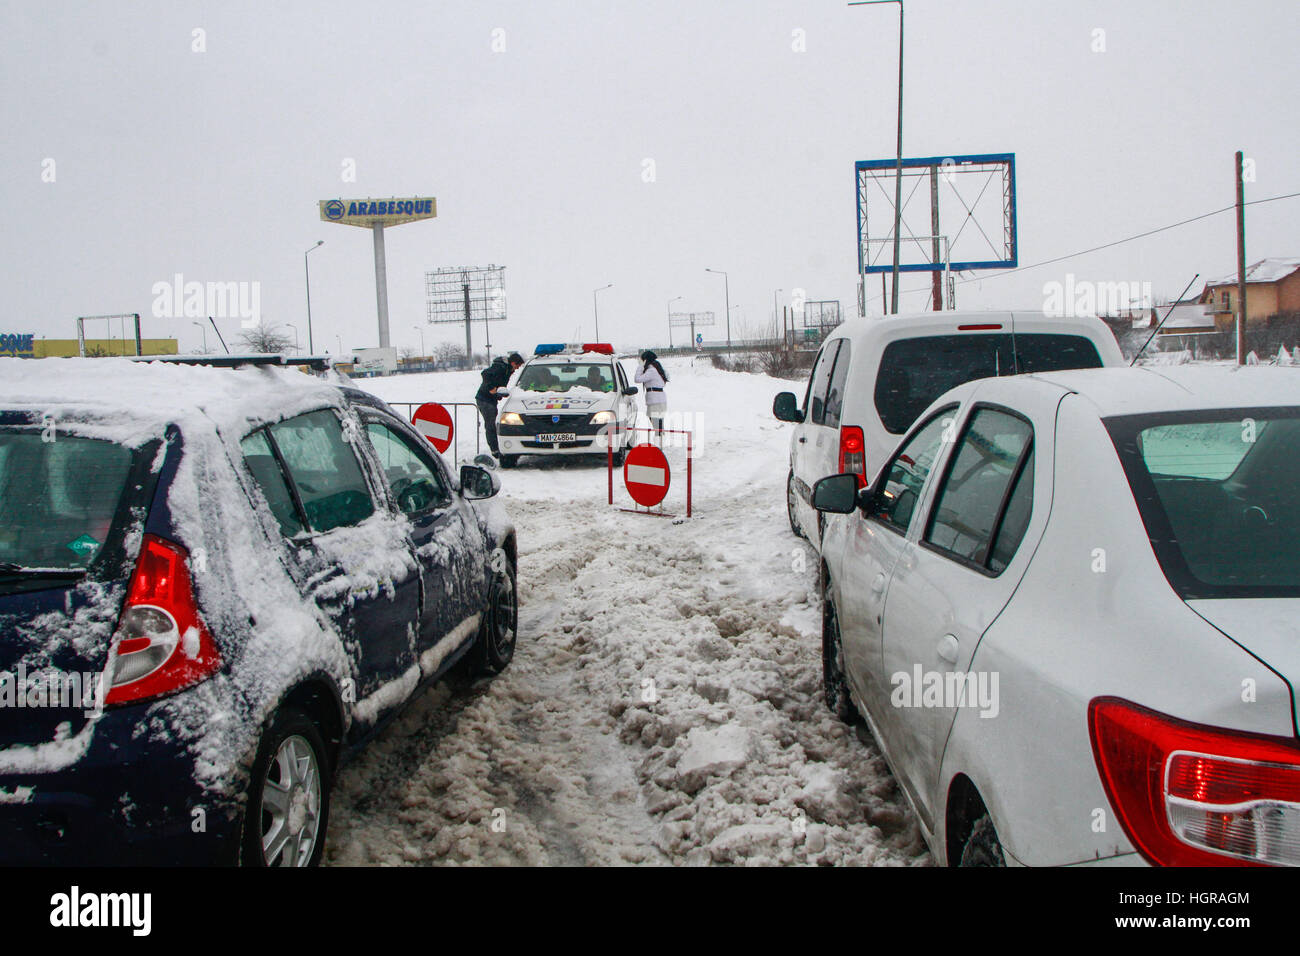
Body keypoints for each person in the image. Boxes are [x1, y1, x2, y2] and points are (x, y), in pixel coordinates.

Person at [476, 351, 524, 458]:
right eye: (517, 365)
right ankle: (495, 450)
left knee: (493, 423)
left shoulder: (507, 369)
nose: (517, 368)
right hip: (484, 399)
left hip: (491, 399)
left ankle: (496, 447)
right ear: (513, 363)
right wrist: (491, 388)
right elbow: (485, 374)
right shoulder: (501, 367)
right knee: (491, 424)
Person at [634, 350, 668, 438]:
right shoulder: (655, 369)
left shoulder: (651, 371)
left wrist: (640, 366)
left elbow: (637, 379)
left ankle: (659, 442)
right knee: (657, 424)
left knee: (657, 425)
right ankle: (660, 440)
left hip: (656, 401)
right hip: (657, 400)